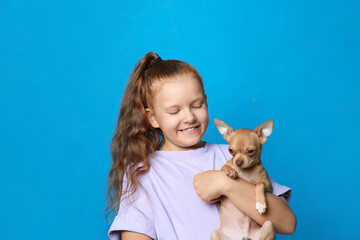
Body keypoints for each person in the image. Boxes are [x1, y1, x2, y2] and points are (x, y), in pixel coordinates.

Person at [107, 52, 296, 240]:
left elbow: (287, 223)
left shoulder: (232, 156)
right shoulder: (143, 172)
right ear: (153, 118)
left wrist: (227, 184)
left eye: (197, 105)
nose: (189, 117)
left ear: (206, 101)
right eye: (175, 111)